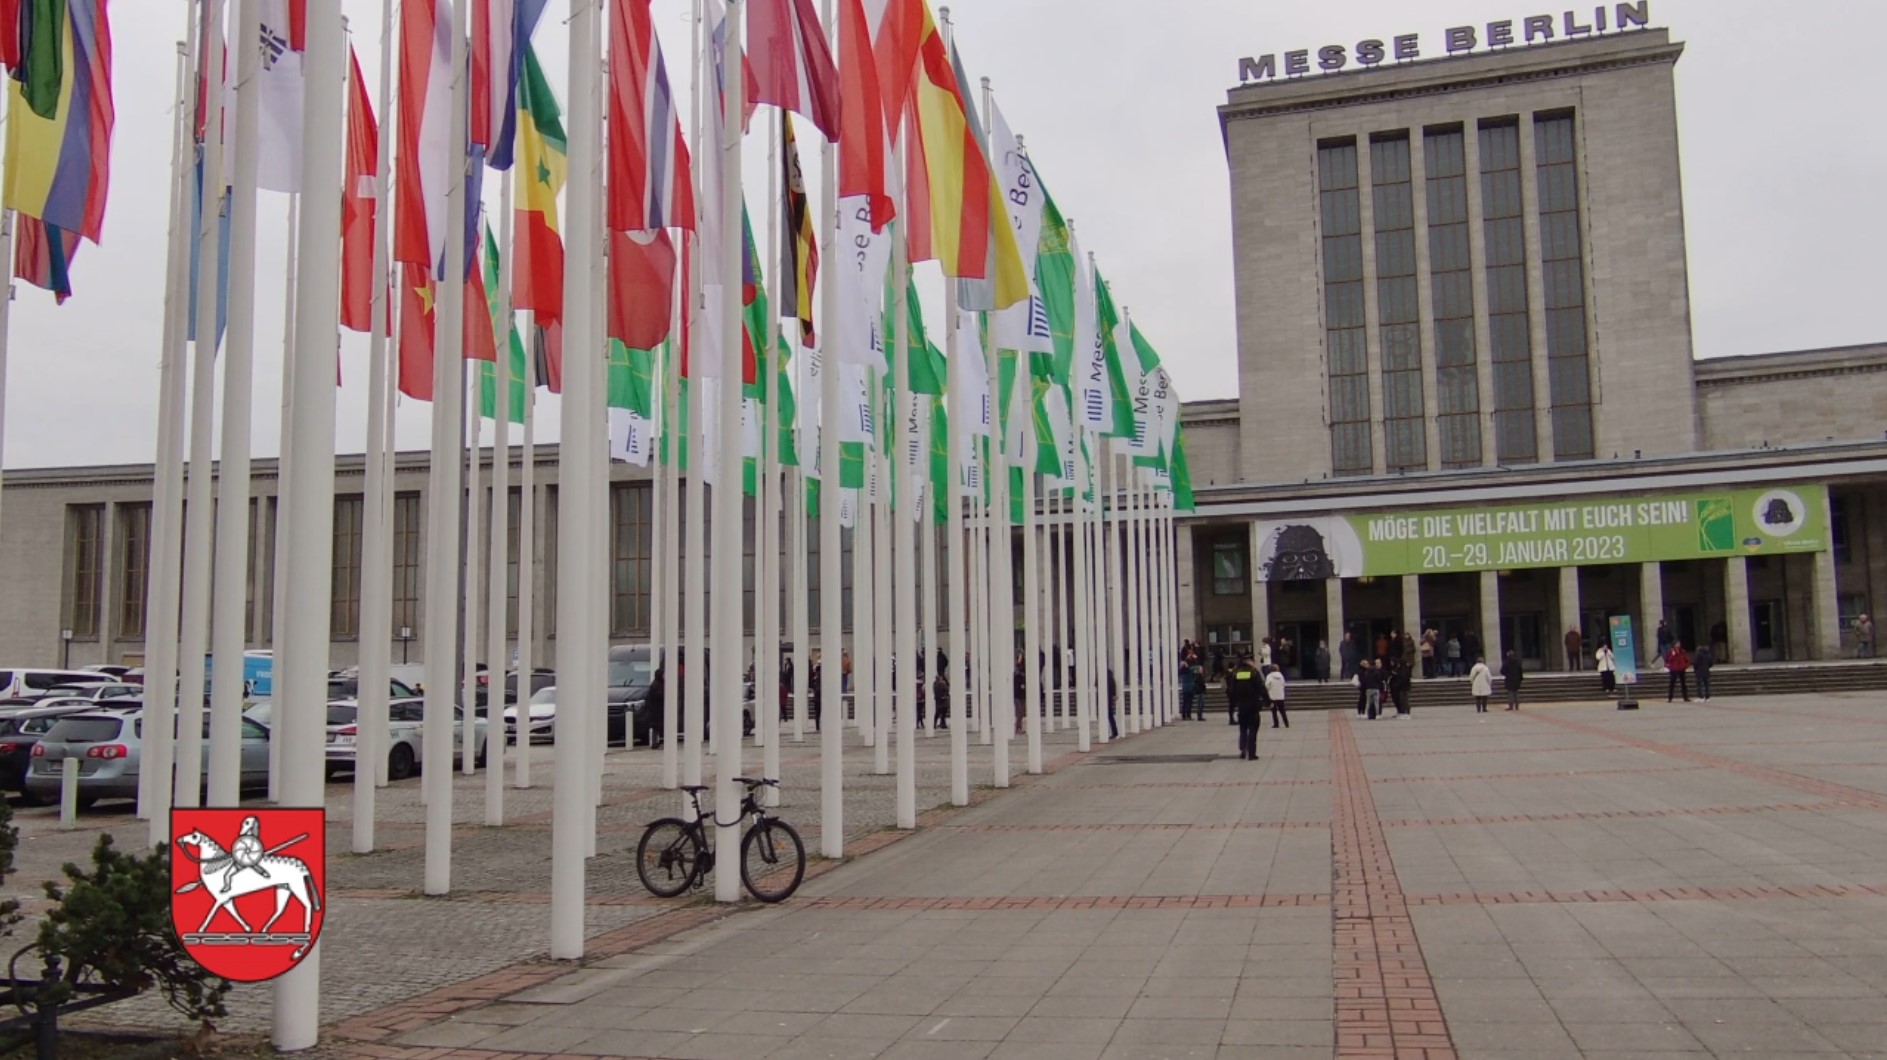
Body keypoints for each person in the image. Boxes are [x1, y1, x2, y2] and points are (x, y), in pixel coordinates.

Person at [1227, 654, 1264, 760]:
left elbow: (1232, 690)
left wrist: (1233, 702)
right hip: (1253, 705)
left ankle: (1243, 749)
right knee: (1253, 729)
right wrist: (1267, 700)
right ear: (1249, 661)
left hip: (1241, 706)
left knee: (1243, 729)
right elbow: (1260, 687)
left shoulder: (1236, 673)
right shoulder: (1254, 672)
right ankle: (1251, 753)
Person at [1265, 664, 1288, 729]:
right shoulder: (1280, 675)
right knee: (1282, 710)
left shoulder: (1269, 676)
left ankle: (1276, 724)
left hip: (1272, 696)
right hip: (1280, 695)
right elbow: (1283, 684)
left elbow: (1267, 685)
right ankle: (1286, 723)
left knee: (1274, 711)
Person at [1106, 668, 1119, 740]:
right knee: (1110, 716)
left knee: (1109, 716)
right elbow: (1114, 688)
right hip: (1109, 699)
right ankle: (1114, 732)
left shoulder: (1104, 677)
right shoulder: (1111, 678)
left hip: (1105, 699)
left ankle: (1113, 733)